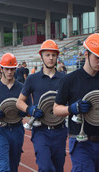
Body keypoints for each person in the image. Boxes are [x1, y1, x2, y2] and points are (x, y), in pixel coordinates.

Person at [53, 33, 99, 171]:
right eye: (97, 57)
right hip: (79, 141)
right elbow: (56, 109)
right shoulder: (69, 80)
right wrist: (72, 108)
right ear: (86, 54)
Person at [16, 39, 67, 172]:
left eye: (53, 55)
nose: (51, 58)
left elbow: (70, 102)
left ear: (57, 57)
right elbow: (19, 102)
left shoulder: (64, 79)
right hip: (41, 130)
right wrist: (30, 109)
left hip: (60, 130)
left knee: (58, 168)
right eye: (47, 55)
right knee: (45, 167)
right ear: (41, 57)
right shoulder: (32, 79)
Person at [0, 53, 29, 172]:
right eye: (7, 69)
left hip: (17, 130)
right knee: (3, 167)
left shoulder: (22, 88)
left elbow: (29, 110)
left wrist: (25, 112)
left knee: (14, 166)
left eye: (12, 69)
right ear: (1, 69)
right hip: (0, 130)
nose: (9, 72)